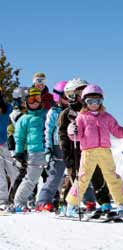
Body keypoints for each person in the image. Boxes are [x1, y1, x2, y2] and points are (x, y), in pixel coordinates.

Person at [65, 84, 123, 217]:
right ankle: (71, 205)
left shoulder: (107, 117)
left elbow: (117, 131)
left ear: (101, 101)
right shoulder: (81, 117)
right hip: (88, 152)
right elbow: (77, 136)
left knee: (112, 176)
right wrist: (71, 131)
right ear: (84, 101)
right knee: (83, 178)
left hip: (105, 152)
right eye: (90, 101)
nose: (94, 104)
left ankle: (121, 203)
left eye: (97, 101)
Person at [58, 78, 111, 213]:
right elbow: (63, 136)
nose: (83, 96)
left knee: (98, 175)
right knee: (75, 178)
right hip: (74, 151)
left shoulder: (93, 112)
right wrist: (66, 154)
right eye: (80, 92)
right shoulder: (66, 114)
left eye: (85, 92)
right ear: (72, 95)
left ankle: (104, 202)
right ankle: (65, 204)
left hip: (91, 150)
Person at [36, 81, 69, 212]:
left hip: (73, 146)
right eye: (65, 96)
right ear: (57, 97)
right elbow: (48, 131)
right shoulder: (53, 112)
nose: (68, 99)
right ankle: (43, 201)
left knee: (81, 173)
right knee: (55, 175)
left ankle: (87, 200)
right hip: (57, 146)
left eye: (71, 96)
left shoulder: (75, 111)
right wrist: (48, 149)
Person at [12, 87, 47, 211]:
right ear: (25, 102)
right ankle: (19, 202)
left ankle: (49, 201)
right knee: (32, 178)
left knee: (54, 177)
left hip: (49, 151)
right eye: (31, 100)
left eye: (37, 99)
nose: (35, 102)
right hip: (34, 152)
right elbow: (19, 138)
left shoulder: (46, 114)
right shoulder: (23, 119)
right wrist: (18, 153)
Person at [0, 88, 18, 210]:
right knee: (0, 174)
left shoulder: (7, 108)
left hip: (6, 143)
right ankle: (2, 199)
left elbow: (16, 118)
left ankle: (19, 196)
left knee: (14, 170)